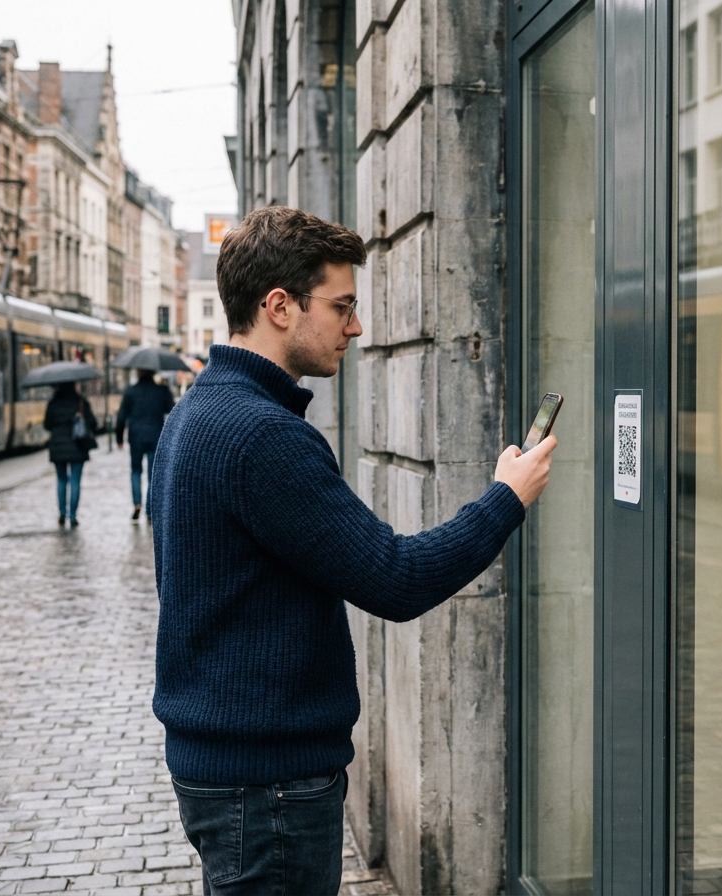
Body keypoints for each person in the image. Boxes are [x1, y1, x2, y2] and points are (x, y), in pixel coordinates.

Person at [150, 206, 557, 895]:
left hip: (232, 772)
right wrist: (505, 498)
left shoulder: (196, 412)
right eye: (342, 306)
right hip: (267, 783)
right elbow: (395, 579)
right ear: (279, 306)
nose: (356, 327)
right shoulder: (261, 436)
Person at [115, 368, 175, 520]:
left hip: (135, 437)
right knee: (152, 474)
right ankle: (150, 509)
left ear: (138, 372)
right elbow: (173, 410)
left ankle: (137, 505)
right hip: (156, 436)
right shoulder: (161, 391)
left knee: (135, 471)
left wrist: (119, 438)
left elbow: (121, 417)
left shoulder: (130, 392)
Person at [44, 381, 98, 528]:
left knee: (61, 481)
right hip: (77, 447)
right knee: (75, 482)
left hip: (57, 447)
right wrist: (81, 417)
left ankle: (62, 513)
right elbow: (93, 423)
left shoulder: (53, 403)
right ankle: (73, 516)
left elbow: (47, 425)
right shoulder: (80, 402)